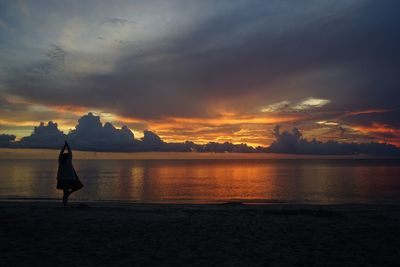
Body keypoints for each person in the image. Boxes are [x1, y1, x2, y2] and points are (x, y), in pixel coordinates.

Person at [56, 140, 83, 207]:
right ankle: (69, 195)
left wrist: (64, 147)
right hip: (69, 179)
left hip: (61, 179)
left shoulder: (60, 162)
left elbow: (60, 153)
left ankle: (65, 204)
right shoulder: (68, 162)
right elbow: (70, 153)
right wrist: (67, 146)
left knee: (64, 193)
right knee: (79, 186)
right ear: (68, 158)